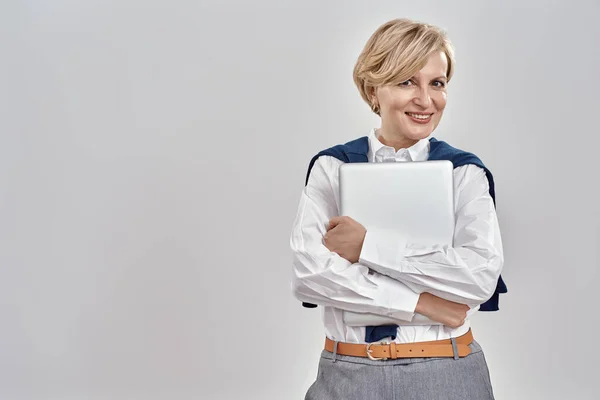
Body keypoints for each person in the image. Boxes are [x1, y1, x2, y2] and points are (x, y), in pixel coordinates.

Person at [289, 18, 505, 399]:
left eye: (436, 83)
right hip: (347, 375)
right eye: (407, 81)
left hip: (448, 373)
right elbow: (310, 274)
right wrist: (423, 302)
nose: (426, 100)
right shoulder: (332, 168)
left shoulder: (464, 173)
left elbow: (478, 277)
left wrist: (367, 248)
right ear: (374, 90)